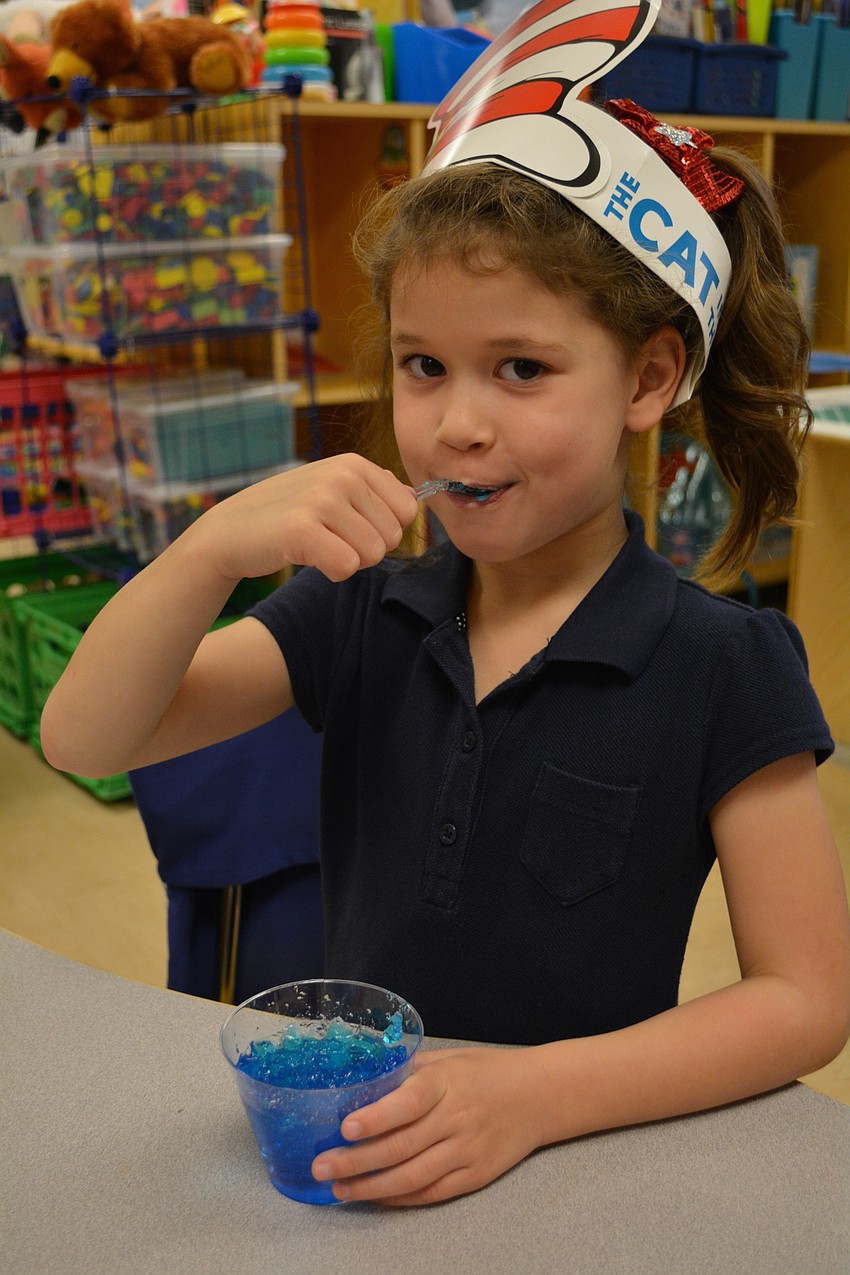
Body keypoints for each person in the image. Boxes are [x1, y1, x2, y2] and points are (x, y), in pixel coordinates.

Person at [41, 0, 850, 1208]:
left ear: (646, 376)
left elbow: (806, 1000)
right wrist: (208, 549)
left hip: (578, 1164)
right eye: (424, 365)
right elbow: (87, 738)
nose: (456, 420)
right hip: (360, 1153)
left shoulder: (725, 665)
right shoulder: (361, 611)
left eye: (519, 368)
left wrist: (529, 1099)